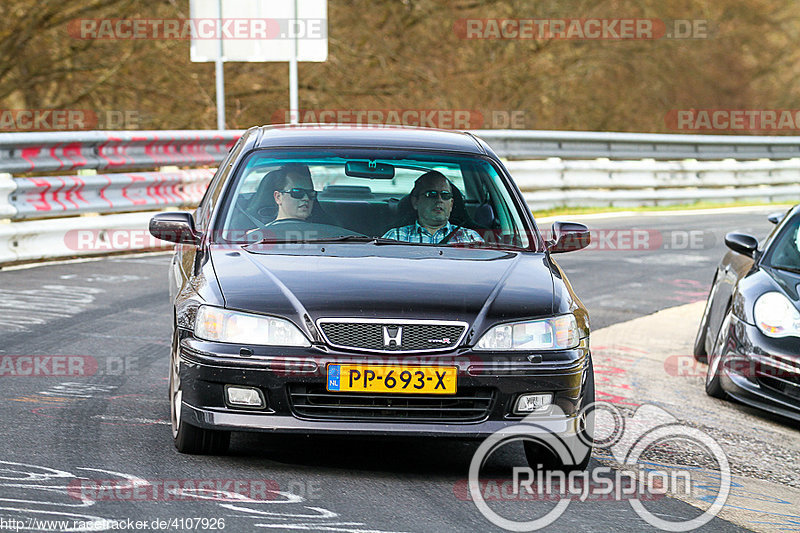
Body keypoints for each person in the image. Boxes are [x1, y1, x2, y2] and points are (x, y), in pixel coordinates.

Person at [382, 170, 483, 244]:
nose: (439, 200)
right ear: (415, 202)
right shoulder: (396, 237)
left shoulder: (470, 238)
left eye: (445, 195)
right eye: (431, 194)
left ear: (451, 204)